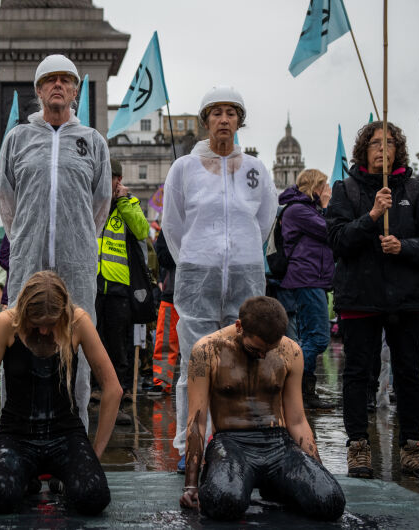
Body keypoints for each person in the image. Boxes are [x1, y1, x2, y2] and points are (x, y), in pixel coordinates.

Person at [161, 85, 278, 471]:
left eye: (231, 112)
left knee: (245, 360)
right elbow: (173, 225)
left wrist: (239, 251)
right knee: (196, 362)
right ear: (205, 120)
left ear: (239, 121)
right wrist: (198, 258)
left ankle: (235, 441)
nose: (224, 119)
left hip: (244, 276)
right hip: (198, 276)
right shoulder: (184, 168)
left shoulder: (255, 170)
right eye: (216, 113)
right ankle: (189, 444)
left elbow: (263, 222)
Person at [0, 54, 112, 430]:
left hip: (76, 263)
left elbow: (100, 204)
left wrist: (78, 241)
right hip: (28, 260)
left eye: (66, 79)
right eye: (50, 80)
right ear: (38, 90)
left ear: (76, 90)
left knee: (76, 342)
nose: (58, 85)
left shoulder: (92, 142)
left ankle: (74, 426)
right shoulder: (17, 140)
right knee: (18, 341)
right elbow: (7, 202)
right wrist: (27, 240)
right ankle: (17, 427)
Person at [326, 120, 419, 480]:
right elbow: (338, 241)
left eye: (389, 143)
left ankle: (411, 446)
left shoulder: (414, 188)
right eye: (375, 143)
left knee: (408, 373)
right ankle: (358, 445)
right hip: (360, 296)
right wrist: (373, 216)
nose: (382, 148)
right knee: (360, 374)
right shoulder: (345, 189)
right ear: (364, 150)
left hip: (404, 298)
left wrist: (403, 246)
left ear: (398, 150)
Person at [179, 296, 345, 521]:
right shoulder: (207, 351)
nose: (262, 356)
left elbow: (297, 420)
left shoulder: (290, 351)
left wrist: (317, 471)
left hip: (278, 444)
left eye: (270, 349)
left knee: (330, 501)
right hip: (231, 443)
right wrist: (191, 485)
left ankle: (276, 485)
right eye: (255, 348)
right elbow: (196, 420)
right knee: (224, 502)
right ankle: (222, 476)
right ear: (239, 327)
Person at [0, 271, 121, 515]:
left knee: (94, 495)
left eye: (50, 324)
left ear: (63, 314)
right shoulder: (6, 323)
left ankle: (57, 481)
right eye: (36, 323)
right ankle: (26, 481)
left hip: (65, 435)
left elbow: (113, 389)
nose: (43, 331)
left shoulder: (77, 321)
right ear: (23, 312)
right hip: (17, 437)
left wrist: (95, 454)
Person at [95, 158, 149, 425]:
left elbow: (142, 230)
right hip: (93, 284)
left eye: (114, 178)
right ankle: (94, 395)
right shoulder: (94, 202)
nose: (111, 182)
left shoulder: (130, 203)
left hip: (119, 286)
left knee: (118, 348)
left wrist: (125, 201)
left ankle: (115, 400)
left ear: (119, 180)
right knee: (93, 342)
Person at [277, 169, 334, 409]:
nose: (327, 189)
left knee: (307, 337)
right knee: (318, 338)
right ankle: (296, 387)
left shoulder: (305, 209)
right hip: (307, 278)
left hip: (313, 278)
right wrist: (326, 205)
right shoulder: (299, 210)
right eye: (324, 185)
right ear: (315, 187)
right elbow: (330, 230)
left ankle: (303, 391)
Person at [149, 229, 179, 397]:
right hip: (172, 292)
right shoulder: (170, 225)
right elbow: (163, 256)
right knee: (165, 339)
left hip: (195, 293)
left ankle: (200, 380)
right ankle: (161, 381)